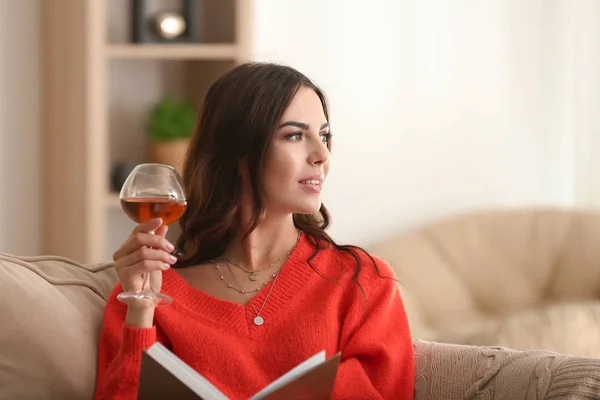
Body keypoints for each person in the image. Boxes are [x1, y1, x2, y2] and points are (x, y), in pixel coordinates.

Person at [94, 62, 415, 400]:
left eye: (324, 135)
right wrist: (141, 311)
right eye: (294, 135)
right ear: (238, 153)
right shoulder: (150, 293)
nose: (322, 155)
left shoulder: (363, 282)